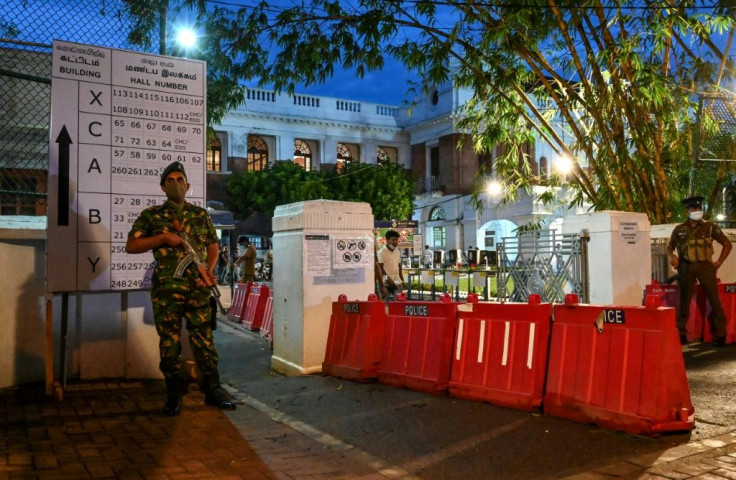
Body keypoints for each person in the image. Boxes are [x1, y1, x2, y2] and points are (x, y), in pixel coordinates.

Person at [126, 161, 236, 416]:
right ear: (163, 186)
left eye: (180, 179)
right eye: (171, 180)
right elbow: (132, 245)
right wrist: (163, 238)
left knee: (205, 343)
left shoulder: (200, 215)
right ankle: (173, 395)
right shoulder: (152, 215)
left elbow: (212, 246)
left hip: (198, 290)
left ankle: (214, 391)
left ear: (188, 185)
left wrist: (208, 270)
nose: (176, 183)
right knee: (170, 344)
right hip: (167, 292)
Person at [667, 196, 732, 347]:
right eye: (693, 208)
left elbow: (727, 244)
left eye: (699, 208)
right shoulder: (679, 229)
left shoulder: (709, 227)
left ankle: (720, 334)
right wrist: (673, 256)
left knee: (715, 301)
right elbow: (669, 247)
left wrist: (718, 263)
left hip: (706, 267)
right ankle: (681, 334)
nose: (697, 211)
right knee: (683, 301)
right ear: (686, 211)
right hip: (685, 267)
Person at [378, 229, 406, 297]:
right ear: (387, 240)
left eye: (396, 240)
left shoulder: (397, 251)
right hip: (386, 283)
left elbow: (399, 267)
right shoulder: (381, 252)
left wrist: (402, 281)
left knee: (399, 302)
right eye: (393, 240)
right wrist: (388, 279)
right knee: (386, 304)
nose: (395, 242)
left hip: (397, 281)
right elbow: (380, 268)